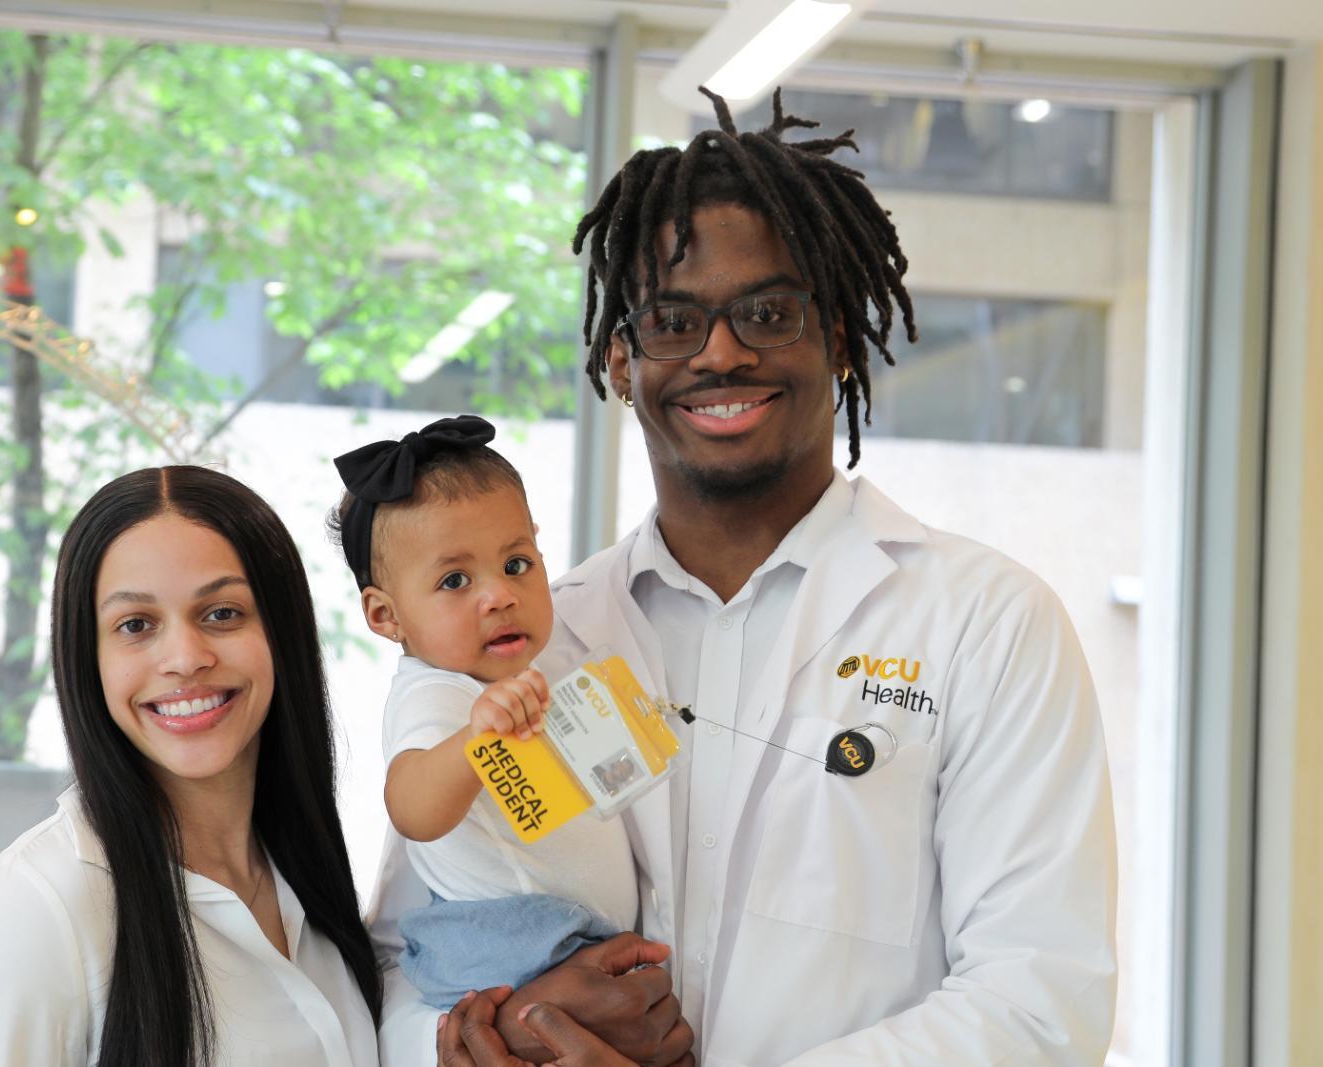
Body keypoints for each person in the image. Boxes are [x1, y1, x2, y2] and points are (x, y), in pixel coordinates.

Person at [373, 86, 1116, 1065]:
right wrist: (495, 1030)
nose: (722, 352)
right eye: (673, 320)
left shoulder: (984, 622)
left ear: (842, 338)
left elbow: (1041, 1000)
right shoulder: (522, 641)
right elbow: (403, 956)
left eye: (768, 311)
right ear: (618, 360)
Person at [0, 466, 382, 1067]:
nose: (186, 658)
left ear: (283, 633)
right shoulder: (34, 907)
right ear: (87, 659)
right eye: (135, 626)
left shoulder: (307, 882)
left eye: (222, 613)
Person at [327, 415, 637, 1010]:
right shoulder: (435, 693)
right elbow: (413, 807)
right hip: (513, 946)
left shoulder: (520, 680)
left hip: (559, 940)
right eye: (455, 580)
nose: (499, 595)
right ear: (385, 617)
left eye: (517, 564)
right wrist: (474, 738)